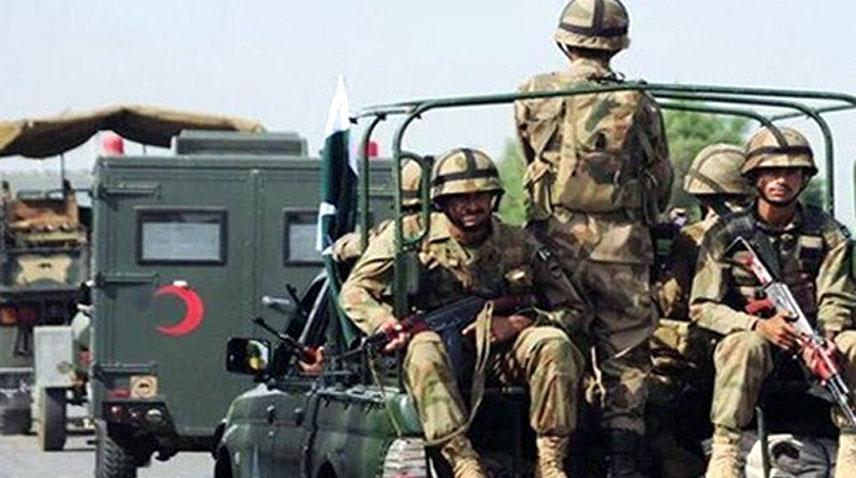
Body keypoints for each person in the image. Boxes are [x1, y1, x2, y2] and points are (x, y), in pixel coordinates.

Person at [340, 148, 588, 478]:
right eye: (461, 198)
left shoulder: (518, 242)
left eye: (480, 196)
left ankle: (551, 462)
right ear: (442, 202)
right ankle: (463, 463)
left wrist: (520, 322)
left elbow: (574, 310)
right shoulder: (410, 234)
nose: (472, 206)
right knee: (424, 347)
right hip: (436, 354)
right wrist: (384, 322)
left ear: (494, 198)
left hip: (501, 357)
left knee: (553, 343)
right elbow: (354, 291)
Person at [514, 1, 672, 475]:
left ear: (563, 41)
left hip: (554, 244)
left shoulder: (533, 93)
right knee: (627, 356)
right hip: (624, 246)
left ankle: (556, 461)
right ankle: (624, 463)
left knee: (558, 345)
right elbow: (661, 178)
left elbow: (529, 160)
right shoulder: (640, 101)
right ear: (620, 45)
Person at [690, 127, 856, 478]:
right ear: (755, 177)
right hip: (749, 344)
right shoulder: (725, 234)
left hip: (811, 340)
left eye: (792, 172)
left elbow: (835, 295)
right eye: (771, 171)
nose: (782, 180)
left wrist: (826, 338)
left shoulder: (827, 232)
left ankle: (851, 449)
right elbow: (702, 306)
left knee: (853, 344)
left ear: (804, 178)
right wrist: (757, 325)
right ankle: (725, 454)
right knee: (744, 345)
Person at [648, 144, 750, 477]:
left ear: (702, 198)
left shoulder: (695, 237)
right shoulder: (765, 229)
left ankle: (667, 450)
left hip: (704, 349)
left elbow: (671, 301)